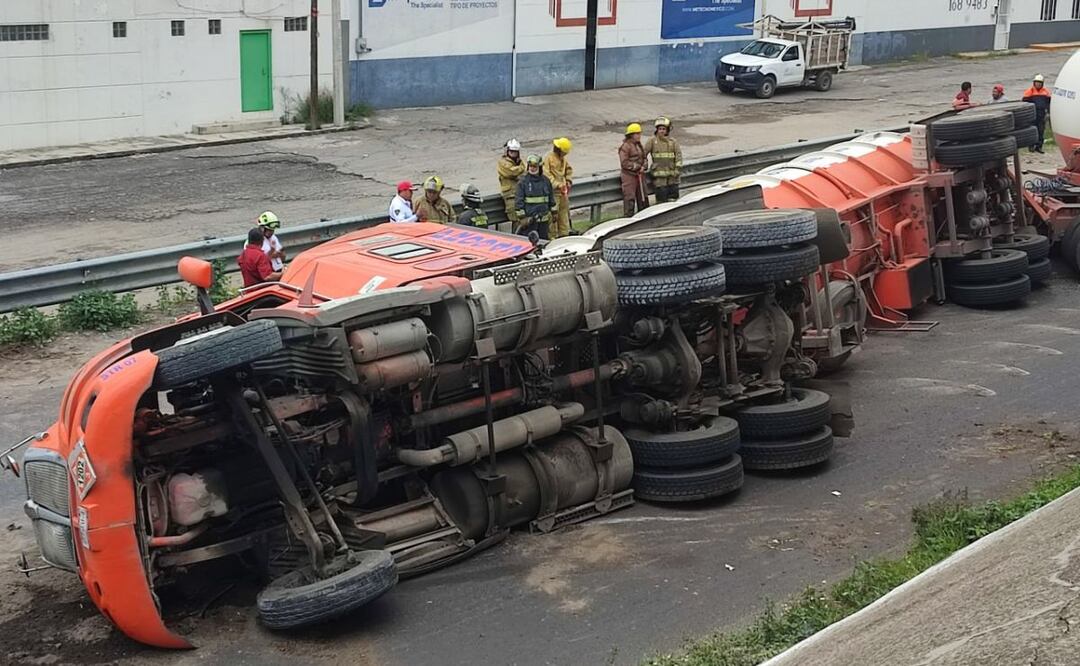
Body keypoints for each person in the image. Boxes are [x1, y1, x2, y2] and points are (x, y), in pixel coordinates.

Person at [515, 154, 556, 240]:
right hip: (530, 222)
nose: (532, 168)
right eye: (530, 166)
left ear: (540, 167)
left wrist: (554, 212)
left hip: (543, 221)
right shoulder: (523, 182)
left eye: (534, 166)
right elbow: (519, 202)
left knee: (543, 242)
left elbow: (551, 198)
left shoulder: (546, 181)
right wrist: (522, 218)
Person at [645, 116, 683, 203]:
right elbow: (643, 154)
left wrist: (677, 169)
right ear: (657, 130)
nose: (662, 131)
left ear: (667, 130)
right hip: (659, 178)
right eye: (660, 129)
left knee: (673, 201)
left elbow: (678, 156)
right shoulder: (652, 141)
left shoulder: (673, 142)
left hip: (672, 176)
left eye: (664, 129)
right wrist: (644, 164)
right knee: (661, 201)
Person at [543, 138, 574, 239]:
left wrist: (568, 180)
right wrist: (557, 184)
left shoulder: (563, 159)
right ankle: (553, 237)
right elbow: (546, 175)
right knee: (553, 216)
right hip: (553, 193)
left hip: (562, 192)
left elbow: (568, 170)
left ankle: (564, 235)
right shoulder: (548, 158)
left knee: (563, 214)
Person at [618, 123, 649, 217]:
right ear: (631, 135)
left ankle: (644, 218)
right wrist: (637, 167)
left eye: (639, 133)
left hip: (640, 176)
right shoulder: (625, 147)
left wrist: (644, 166)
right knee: (629, 199)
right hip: (629, 176)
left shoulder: (639, 145)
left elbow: (645, 158)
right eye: (637, 134)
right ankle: (628, 219)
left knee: (643, 199)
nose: (639, 136)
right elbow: (624, 163)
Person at [497, 139, 525, 232]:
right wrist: (520, 170)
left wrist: (519, 170)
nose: (513, 154)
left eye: (515, 152)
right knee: (515, 219)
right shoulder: (502, 162)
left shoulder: (520, 162)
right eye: (512, 151)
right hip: (510, 196)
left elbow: (524, 171)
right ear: (507, 151)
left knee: (523, 220)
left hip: (521, 194)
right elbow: (511, 172)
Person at [1023, 74, 1053, 153]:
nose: (1038, 84)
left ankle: (1039, 147)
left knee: (1041, 131)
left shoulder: (1046, 92)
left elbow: (1048, 104)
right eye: (1036, 82)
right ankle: (1031, 146)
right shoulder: (1029, 91)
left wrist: (1048, 113)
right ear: (1034, 83)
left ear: (1042, 83)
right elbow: (1024, 103)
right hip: (1032, 115)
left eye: (1039, 82)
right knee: (1032, 130)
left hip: (1041, 115)